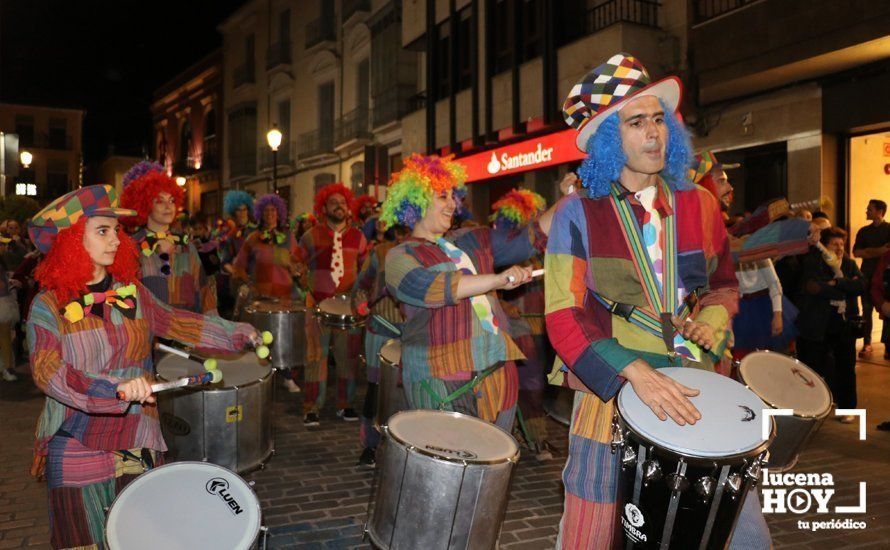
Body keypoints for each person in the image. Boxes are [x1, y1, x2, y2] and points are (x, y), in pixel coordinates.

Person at [545, 53, 767, 548]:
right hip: (612, 394)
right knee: (594, 529)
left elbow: (723, 283)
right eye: (636, 122)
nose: (653, 133)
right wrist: (633, 370)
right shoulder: (576, 214)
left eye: (658, 119)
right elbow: (563, 315)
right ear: (608, 138)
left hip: (700, 389)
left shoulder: (700, 204)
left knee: (735, 531)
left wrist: (711, 319)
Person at [25, 184, 262, 549]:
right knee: (80, 541)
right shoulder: (47, 305)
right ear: (72, 241)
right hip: (74, 440)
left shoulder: (132, 292)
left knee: (141, 538)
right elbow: (48, 370)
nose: (117, 240)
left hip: (137, 434)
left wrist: (237, 333)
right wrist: (112, 389)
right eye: (103, 231)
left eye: (116, 230)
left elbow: (180, 322)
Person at [382, 154, 563, 431]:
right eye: (443, 196)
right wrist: (497, 280)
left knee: (494, 466)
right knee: (449, 466)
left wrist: (573, 196)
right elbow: (433, 287)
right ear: (416, 202)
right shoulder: (399, 255)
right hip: (441, 379)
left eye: (454, 197)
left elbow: (532, 237)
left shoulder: (472, 238)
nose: (453, 204)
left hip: (498, 372)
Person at [491, 187, 559, 460]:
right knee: (526, 383)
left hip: (545, 324)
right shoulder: (506, 249)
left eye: (536, 214)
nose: (533, 219)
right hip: (517, 327)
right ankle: (532, 438)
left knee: (538, 383)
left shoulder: (545, 246)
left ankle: (531, 435)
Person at [299, 183, 368, 426]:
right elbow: (296, 263)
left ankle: (345, 404)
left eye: (343, 202)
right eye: (333, 202)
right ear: (323, 207)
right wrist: (300, 276)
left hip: (348, 309)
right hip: (316, 307)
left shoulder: (359, 237)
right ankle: (311, 407)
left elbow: (366, 271)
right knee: (315, 358)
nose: (339, 206)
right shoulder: (310, 236)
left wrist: (361, 299)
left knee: (347, 359)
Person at [120, 161, 217, 315]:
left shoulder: (186, 246)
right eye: (159, 201)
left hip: (188, 332)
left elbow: (204, 295)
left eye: (171, 200)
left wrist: (216, 328)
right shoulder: (132, 247)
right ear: (145, 205)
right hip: (150, 334)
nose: (168, 206)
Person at [353, 223, 409, 467]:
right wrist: (360, 302)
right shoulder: (380, 253)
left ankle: (408, 445)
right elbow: (361, 286)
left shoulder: (431, 251)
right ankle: (371, 446)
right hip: (382, 329)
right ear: (397, 232)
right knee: (377, 390)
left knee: (410, 391)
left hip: (415, 335)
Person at [796, 227, 862, 422]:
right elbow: (813, 287)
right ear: (825, 245)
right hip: (818, 324)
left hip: (843, 324)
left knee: (846, 367)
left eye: (842, 244)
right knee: (814, 368)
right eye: (835, 244)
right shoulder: (813, 263)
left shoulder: (849, 264)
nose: (840, 248)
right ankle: (813, 408)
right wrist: (844, 286)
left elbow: (860, 286)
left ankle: (847, 408)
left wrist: (834, 284)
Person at [230, 193, 303, 300]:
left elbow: (299, 263)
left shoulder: (289, 237)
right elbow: (239, 266)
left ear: (278, 213)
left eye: (273, 210)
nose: (269, 213)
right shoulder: (253, 237)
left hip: (285, 296)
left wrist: (296, 269)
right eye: (266, 210)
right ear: (261, 213)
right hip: (260, 297)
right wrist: (250, 285)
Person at [852, 199, 890, 359]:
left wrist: (870, 251)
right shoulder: (863, 231)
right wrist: (879, 250)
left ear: (880, 211)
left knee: (887, 311)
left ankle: (888, 345)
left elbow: (886, 253)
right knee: (866, 309)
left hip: (885, 276)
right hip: (866, 274)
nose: (866, 212)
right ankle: (867, 343)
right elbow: (857, 253)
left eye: (870, 209)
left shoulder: (889, 229)